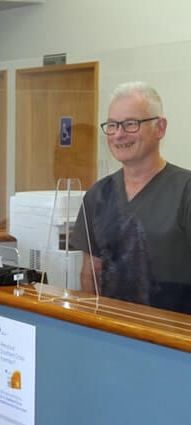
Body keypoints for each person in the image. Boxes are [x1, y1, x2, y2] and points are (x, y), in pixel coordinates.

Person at [71, 81, 191, 313]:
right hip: (114, 333)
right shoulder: (98, 195)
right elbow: (91, 271)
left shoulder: (184, 191)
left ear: (160, 128)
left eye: (130, 124)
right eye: (112, 125)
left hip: (174, 340)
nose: (118, 134)